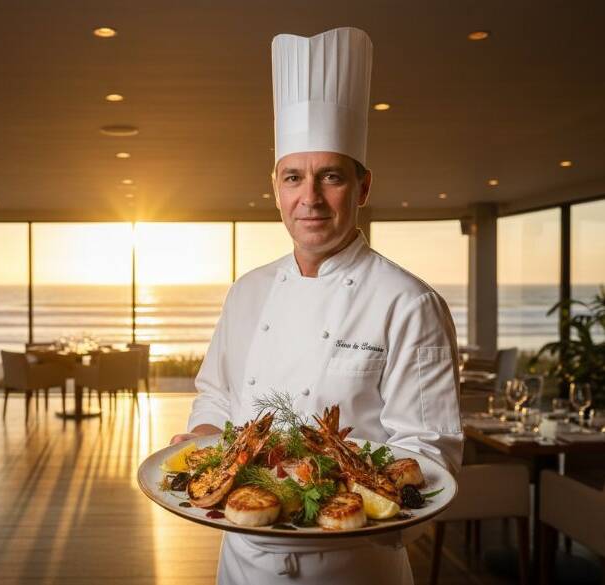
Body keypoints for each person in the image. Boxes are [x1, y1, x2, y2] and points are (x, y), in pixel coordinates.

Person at [170, 28, 463, 584]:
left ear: (363, 187)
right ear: (275, 188)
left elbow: (429, 453)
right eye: (293, 178)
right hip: (242, 561)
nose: (310, 198)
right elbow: (215, 394)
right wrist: (203, 437)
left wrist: (363, 502)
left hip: (355, 566)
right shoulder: (248, 291)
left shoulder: (409, 301)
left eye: (330, 176)